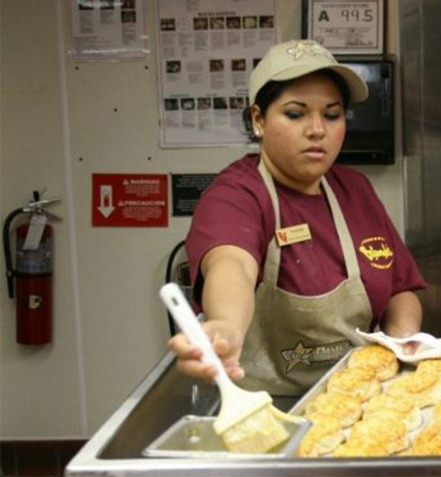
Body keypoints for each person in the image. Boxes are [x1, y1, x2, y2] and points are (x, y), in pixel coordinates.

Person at [168, 40, 426, 396]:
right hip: (266, 407)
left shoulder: (356, 190)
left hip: (360, 400)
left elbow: (400, 288)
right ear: (259, 119)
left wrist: (403, 342)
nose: (317, 129)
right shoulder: (237, 195)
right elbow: (232, 266)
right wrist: (226, 327)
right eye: (295, 113)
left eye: (332, 114)